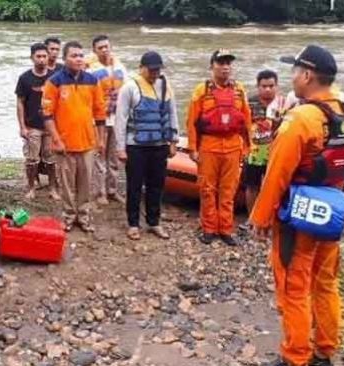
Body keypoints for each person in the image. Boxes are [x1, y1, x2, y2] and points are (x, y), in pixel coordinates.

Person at [250, 45, 344, 366]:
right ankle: (325, 350)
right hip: (331, 213)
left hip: (297, 218)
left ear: (308, 75)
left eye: (295, 71)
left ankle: (296, 356)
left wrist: (261, 216)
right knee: (325, 283)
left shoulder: (301, 119)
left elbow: (276, 174)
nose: (292, 77)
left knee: (293, 288)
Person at [186, 49, 251, 246]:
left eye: (228, 63)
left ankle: (226, 228)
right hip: (209, 145)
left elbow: (246, 121)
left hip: (232, 146)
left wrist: (248, 148)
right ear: (212, 66)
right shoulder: (201, 91)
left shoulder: (240, 90)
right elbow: (191, 122)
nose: (225, 67)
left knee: (228, 190)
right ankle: (209, 228)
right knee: (207, 189)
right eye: (220, 63)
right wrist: (192, 149)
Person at [42, 41, 106, 232]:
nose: (78, 59)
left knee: (86, 183)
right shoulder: (54, 82)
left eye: (81, 55)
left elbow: (100, 113)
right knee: (67, 185)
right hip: (64, 144)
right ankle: (69, 216)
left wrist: (101, 139)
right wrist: (56, 139)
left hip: (87, 142)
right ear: (65, 58)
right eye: (74, 55)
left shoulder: (92, 80)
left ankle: (84, 216)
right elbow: (47, 115)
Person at [115, 51, 179, 240]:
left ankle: (154, 222)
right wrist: (120, 147)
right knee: (134, 186)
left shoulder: (165, 86)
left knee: (157, 185)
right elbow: (121, 119)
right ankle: (133, 224)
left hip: (159, 145)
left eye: (157, 70)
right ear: (141, 68)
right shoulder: (129, 88)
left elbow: (172, 112)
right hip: (136, 145)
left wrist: (173, 140)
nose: (154, 73)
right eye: (151, 69)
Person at [239, 70, 285, 232]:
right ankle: (251, 219)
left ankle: (270, 219)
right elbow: (241, 126)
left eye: (271, 86)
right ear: (258, 87)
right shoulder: (249, 103)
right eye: (264, 86)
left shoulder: (283, 104)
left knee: (273, 186)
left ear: (276, 86)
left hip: (276, 153)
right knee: (251, 186)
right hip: (253, 152)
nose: (267, 89)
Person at [86, 35, 127, 205]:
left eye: (106, 46)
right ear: (95, 50)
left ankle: (112, 190)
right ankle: (100, 192)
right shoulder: (89, 70)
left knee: (114, 157)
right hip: (99, 119)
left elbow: (127, 90)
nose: (104, 50)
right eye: (100, 47)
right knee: (99, 156)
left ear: (111, 47)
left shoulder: (120, 67)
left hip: (117, 117)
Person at [16, 43, 60, 200]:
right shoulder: (25, 78)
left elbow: (61, 101)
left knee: (51, 159)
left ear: (48, 57)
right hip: (32, 125)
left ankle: (53, 188)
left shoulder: (55, 77)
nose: (42, 60)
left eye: (44, 56)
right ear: (32, 58)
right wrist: (22, 127)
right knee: (32, 159)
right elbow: (20, 103)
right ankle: (31, 187)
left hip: (51, 125)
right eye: (38, 56)